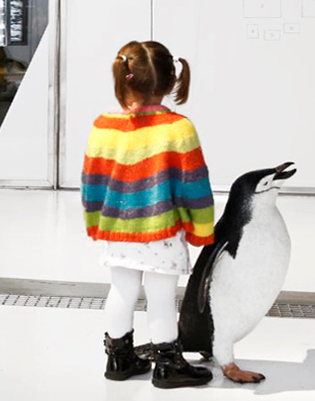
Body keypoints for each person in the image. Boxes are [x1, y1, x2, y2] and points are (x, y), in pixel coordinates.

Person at [81, 40, 215, 388]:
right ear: (171, 80)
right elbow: (194, 185)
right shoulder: (177, 128)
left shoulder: (103, 125)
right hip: (162, 231)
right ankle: (168, 364)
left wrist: (96, 223)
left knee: (121, 291)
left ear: (123, 78)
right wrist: (202, 230)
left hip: (117, 229)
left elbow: (92, 180)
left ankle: (119, 359)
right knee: (160, 297)